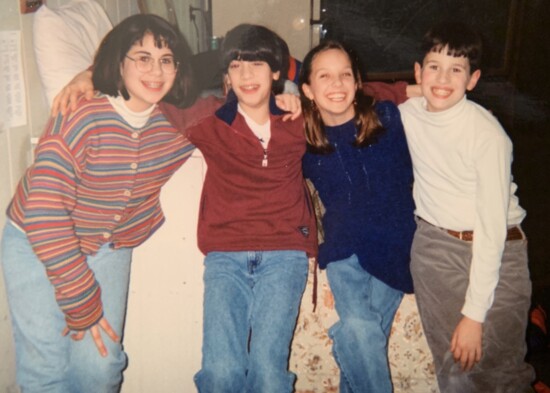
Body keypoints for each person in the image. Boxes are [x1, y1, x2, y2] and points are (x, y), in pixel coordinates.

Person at [0, 14, 199, 393]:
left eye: (166, 59)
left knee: (102, 368)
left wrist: (287, 83)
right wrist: (82, 300)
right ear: (118, 63)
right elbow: (43, 211)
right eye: (142, 57)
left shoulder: (173, 125)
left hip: (107, 248)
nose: (156, 70)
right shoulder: (81, 112)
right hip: (35, 244)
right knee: (47, 371)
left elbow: (238, 83)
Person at [177, 24, 318, 393]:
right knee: (221, 372)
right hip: (226, 255)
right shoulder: (210, 119)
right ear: (226, 74)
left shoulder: (297, 119)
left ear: (276, 72)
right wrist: (91, 77)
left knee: (270, 376)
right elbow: (155, 93)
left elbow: (345, 91)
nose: (246, 75)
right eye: (236, 66)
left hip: (284, 254)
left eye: (257, 65)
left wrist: (297, 91)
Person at [398, 21, 535, 392]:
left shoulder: (487, 135)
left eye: (456, 69)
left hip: (500, 248)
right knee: (453, 366)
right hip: (436, 248)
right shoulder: (408, 114)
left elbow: (491, 229)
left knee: (500, 368)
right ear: (417, 71)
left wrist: (474, 315)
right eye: (433, 66)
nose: (443, 78)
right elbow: (349, 91)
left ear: (472, 80)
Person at [300, 41, 416, 393]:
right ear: (308, 89)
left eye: (344, 75)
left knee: (358, 332)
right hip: (342, 251)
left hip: (396, 245)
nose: (336, 85)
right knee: (362, 329)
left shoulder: (388, 119)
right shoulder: (303, 139)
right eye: (325, 77)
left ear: (357, 82)